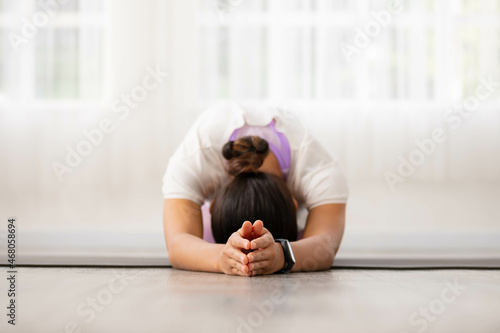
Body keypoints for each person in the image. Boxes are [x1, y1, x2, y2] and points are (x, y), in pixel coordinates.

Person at [162, 102, 349, 276]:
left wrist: (280, 254)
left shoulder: (319, 168)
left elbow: (326, 245)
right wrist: (223, 257)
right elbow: (177, 244)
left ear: (294, 203)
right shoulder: (196, 156)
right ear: (211, 207)